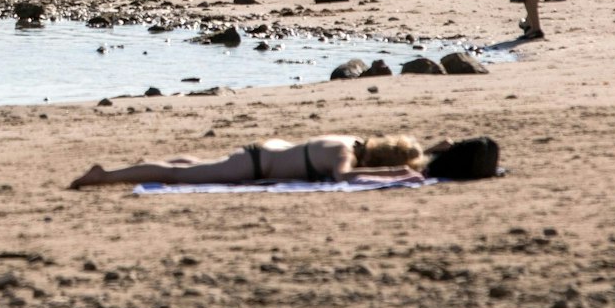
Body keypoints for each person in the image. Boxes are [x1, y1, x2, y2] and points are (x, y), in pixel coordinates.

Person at [70, 134, 424, 189]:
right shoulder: (346, 155)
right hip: (256, 166)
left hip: (265, 154)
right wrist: (396, 174)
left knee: (194, 166)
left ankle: (138, 165)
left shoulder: (351, 139)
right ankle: (105, 175)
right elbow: (345, 177)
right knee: (176, 176)